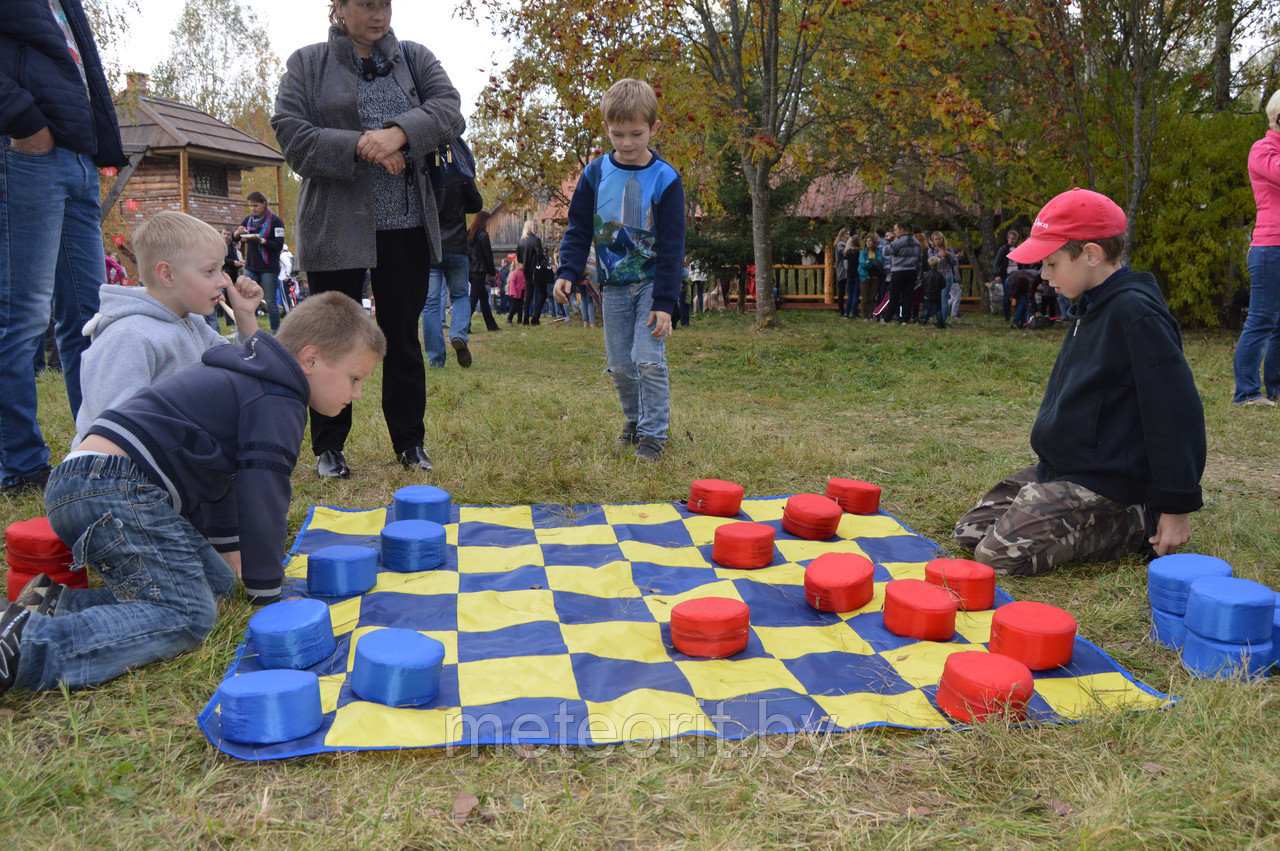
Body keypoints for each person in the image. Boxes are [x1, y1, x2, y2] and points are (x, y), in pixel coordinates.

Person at [0, 291, 386, 697]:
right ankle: (25, 648)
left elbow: (227, 481)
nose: (357, 394)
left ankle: (50, 604)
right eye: (354, 379)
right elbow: (264, 497)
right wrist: (267, 592)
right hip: (112, 488)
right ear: (310, 360)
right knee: (187, 614)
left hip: (91, 483)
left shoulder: (257, 377)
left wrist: (229, 550)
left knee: (216, 584)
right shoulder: (278, 399)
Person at [953, 188, 1206, 576]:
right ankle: (1073, 505)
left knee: (998, 557)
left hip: (1109, 481)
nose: (1044, 274)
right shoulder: (1088, 305)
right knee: (969, 533)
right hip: (1064, 468)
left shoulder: (1136, 313)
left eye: (1052, 263)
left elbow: (1175, 412)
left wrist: (1176, 506)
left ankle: (1139, 522)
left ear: (1091, 254)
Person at [272, 0, 465, 478]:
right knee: (327, 340)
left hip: (405, 226)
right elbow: (292, 136)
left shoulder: (415, 58)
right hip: (334, 226)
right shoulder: (307, 63)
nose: (378, 13)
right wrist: (362, 144)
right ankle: (329, 449)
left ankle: (410, 445)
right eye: (365, 3)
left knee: (402, 337)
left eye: (385, 3)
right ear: (337, 7)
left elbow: (449, 110)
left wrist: (399, 133)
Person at [0, 0, 128, 494]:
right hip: (27, 153)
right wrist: (25, 124)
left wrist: (100, 145)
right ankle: (23, 465)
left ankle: (95, 448)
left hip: (77, 157)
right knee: (21, 316)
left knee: (90, 318)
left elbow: (84, 70)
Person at [553, 78, 684, 463]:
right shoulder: (595, 173)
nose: (627, 143)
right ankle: (633, 420)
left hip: (650, 285)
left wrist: (665, 301)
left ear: (654, 129)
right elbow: (578, 227)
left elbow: (674, 245)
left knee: (647, 357)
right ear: (606, 127)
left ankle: (653, 434)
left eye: (637, 134)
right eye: (618, 134)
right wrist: (568, 270)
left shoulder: (666, 178)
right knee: (621, 365)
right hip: (612, 287)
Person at [73, 211, 264, 444]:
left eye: (221, 270)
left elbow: (242, 369)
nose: (224, 281)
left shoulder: (193, 323)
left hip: (178, 459)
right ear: (168, 275)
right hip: (126, 472)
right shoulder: (128, 337)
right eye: (209, 271)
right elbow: (114, 431)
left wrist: (245, 317)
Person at [1232, 90, 1280, 406]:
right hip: (1270, 247)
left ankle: (1275, 390)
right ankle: (1247, 392)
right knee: (1262, 319)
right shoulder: (1262, 150)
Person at [422, 180, 483, 369]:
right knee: (460, 296)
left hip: (431, 246)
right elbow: (476, 204)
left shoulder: (424, 169)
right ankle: (458, 335)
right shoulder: (460, 172)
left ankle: (437, 359)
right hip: (457, 245)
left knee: (430, 303)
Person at [234, 191, 286, 333]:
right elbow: (235, 238)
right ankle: (243, 329)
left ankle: (276, 332)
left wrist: (261, 240)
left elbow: (278, 245)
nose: (252, 209)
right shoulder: (248, 220)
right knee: (243, 298)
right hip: (251, 266)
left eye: (255, 205)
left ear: (264, 204)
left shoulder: (275, 221)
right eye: (250, 206)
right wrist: (237, 233)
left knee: (270, 303)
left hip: (269, 267)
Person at [467, 208, 501, 334]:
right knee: (474, 299)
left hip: (470, 271)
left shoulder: (469, 233)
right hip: (479, 271)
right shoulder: (483, 235)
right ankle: (464, 326)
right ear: (484, 220)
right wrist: (492, 271)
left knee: (483, 297)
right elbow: (488, 255)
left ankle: (491, 325)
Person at [883, 223, 920, 323]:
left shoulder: (899, 241)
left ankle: (888, 318)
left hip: (899, 271)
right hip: (912, 271)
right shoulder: (916, 241)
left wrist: (888, 241)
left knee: (894, 296)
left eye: (895, 230)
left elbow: (886, 252)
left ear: (902, 229)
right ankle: (905, 319)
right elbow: (919, 259)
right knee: (908, 297)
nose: (894, 232)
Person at [516, 221, 546, 325]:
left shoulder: (521, 241)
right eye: (536, 227)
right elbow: (539, 254)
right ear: (533, 227)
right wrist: (543, 258)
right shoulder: (536, 239)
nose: (537, 229)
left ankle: (525, 319)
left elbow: (519, 258)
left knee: (528, 295)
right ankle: (535, 318)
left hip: (526, 270)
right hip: (536, 270)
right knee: (543, 293)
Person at [919, 255, 946, 329]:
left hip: (927, 293)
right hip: (937, 293)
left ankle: (924, 319)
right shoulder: (939, 275)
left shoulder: (926, 274)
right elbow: (943, 284)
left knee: (926, 308)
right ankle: (940, 322)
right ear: (938, 265)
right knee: (937, 309)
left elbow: (922, 284)